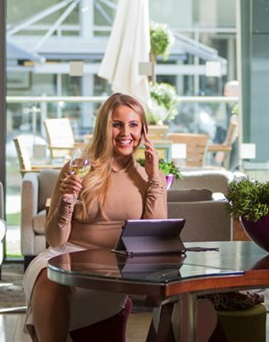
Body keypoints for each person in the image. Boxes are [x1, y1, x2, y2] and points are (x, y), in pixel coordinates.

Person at [23, 93, 167, 342]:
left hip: (110, 267)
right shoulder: (77, 168)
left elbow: (153, 236)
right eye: (117, 124)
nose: (126, 133)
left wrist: (155, 178)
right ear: (104, 127)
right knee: (50, 279)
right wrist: (67, 200)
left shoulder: (148, 177)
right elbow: (55, 240)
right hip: (66, 255)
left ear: (143, 131)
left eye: (133, 125)